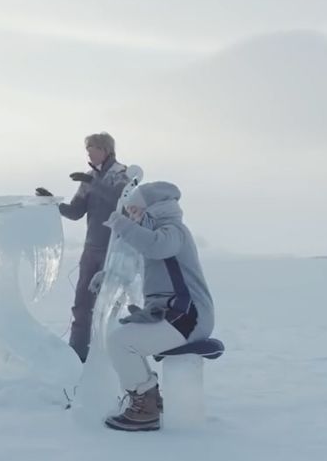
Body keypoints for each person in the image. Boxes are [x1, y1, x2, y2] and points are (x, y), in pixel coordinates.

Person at [100, 181, 214, 432]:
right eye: (130, 212)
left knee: (121, 343)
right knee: (122, 339)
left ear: (153, 207)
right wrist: (109, 277)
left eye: (136, 210)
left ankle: (146, 407)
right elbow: (135, 262)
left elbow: (157, 246)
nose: (133, 216)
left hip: (189, 316)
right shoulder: (156, 233)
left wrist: (122, 224)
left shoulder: (173, 230)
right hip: (173, 313)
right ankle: (150, 397)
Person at [36, 132, 128, 363]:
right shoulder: (89, 177)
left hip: (113, 251)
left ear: (105, 149)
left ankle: (109, 356)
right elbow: (76, 212)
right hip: (90, 250)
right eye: (87, 148)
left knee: (110, 307)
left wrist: (94, 184)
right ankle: (77, 356)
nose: (87, 152)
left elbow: (120, 204)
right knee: (82, 306)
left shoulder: (123, 176)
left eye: (91, 148)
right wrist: (52, 202)